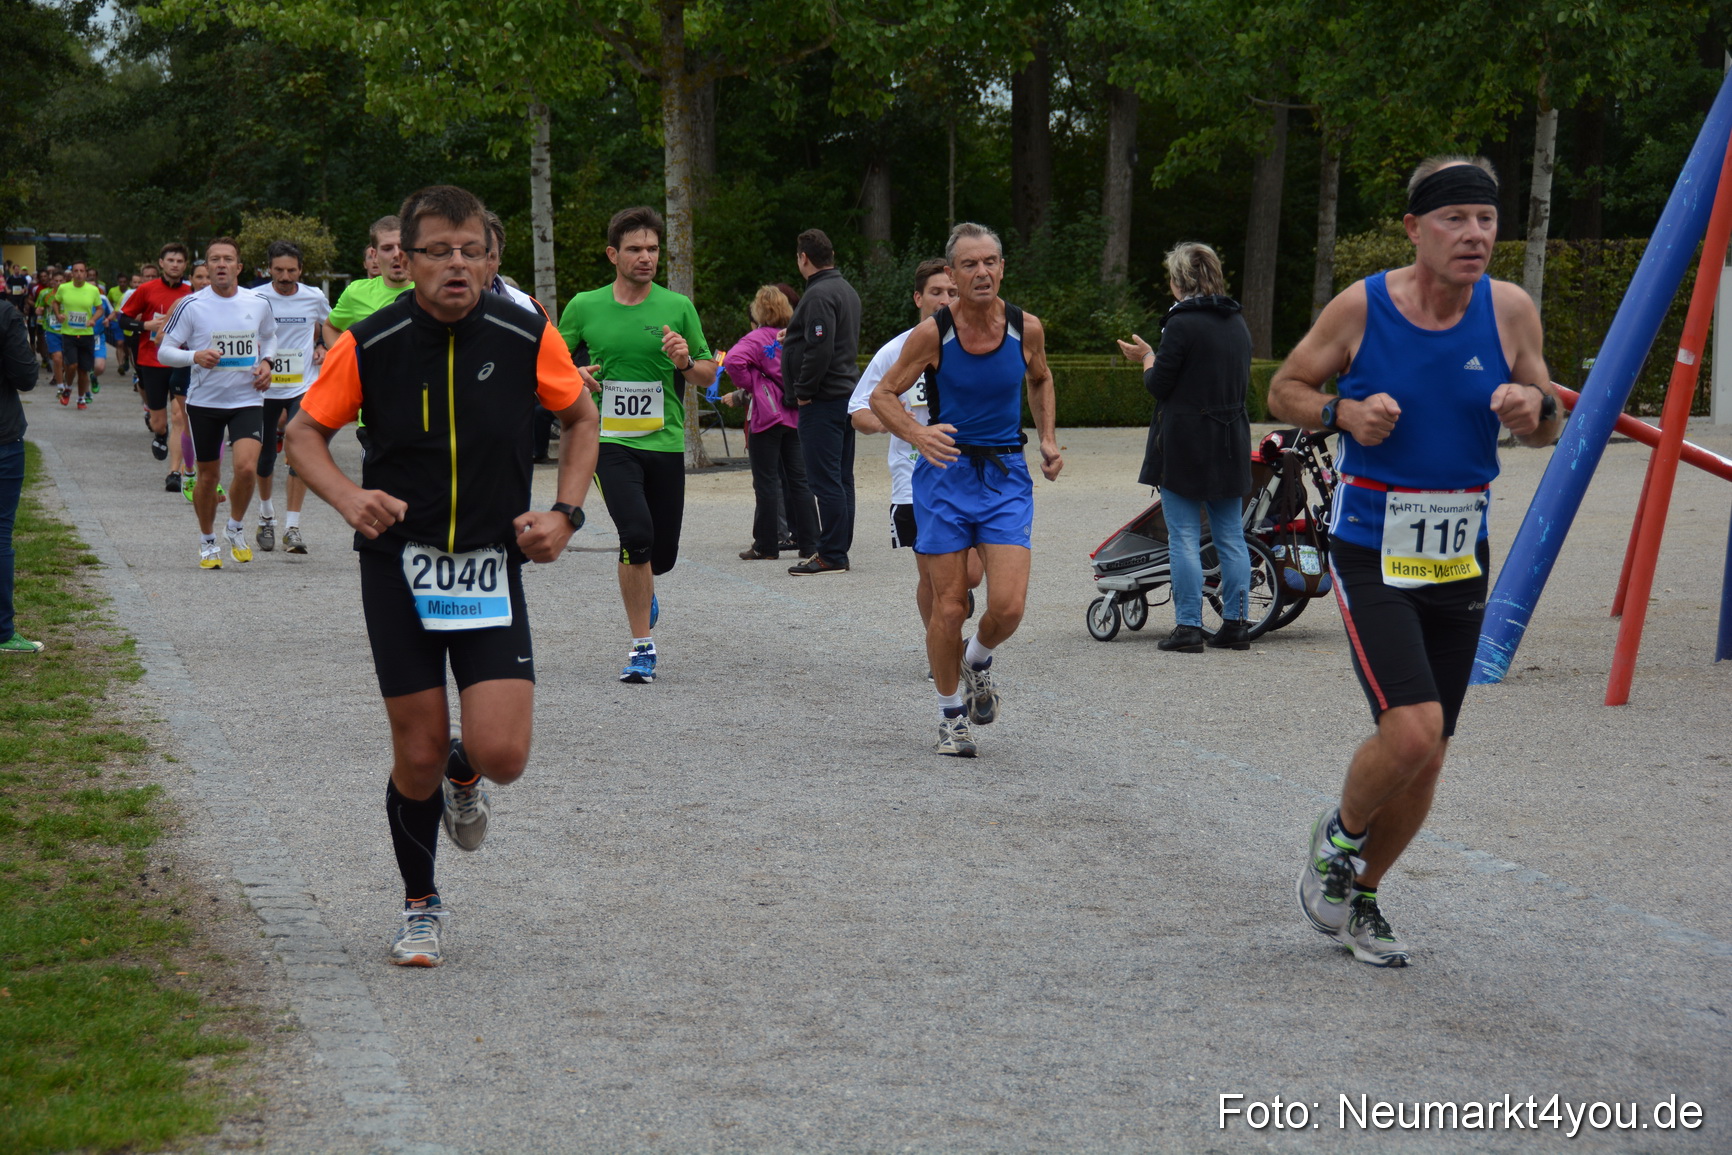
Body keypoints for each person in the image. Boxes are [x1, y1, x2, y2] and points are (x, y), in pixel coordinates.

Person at [285, 184, 600, 967]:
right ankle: (420, 903)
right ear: (406, 259)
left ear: (493, 259)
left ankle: (467, 771)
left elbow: (581, 418)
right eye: (437, 251)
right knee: (416, 752)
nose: (455, 265)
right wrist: (348, 497)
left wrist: (566, 512)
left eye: (471, 251)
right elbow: (302, 434)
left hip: (490, 565)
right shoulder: (369, 342)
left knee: (502, 756)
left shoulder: (527, 334)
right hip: (400, 565)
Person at [1269, 155, 1562, 968]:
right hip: (1373, 549)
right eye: (1455, 219)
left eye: (1487, 220)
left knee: (1429, 753)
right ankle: (1337, 838)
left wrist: (1533, 408)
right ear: (1414, 228)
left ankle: (1360, 896)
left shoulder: (1509, 311)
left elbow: (1550, 421)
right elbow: (1285, 388)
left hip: (1460, 556)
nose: (1475, 235)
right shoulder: (1363, 307)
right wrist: (1342, 410)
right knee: (1413, 726)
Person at [869, 222, 1063, 758]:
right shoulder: (934, 333)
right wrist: (915, 432)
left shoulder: (1026, 328)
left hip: (1004, 477)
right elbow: (883, 395)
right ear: (952, 274)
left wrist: (1046, 439)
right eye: (970, 265)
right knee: (949, 607)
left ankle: (976, 660)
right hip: (946, 479)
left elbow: (1041, 378)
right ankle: (950, 716)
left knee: (1009, 606)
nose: (982, 272)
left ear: (1002, 267)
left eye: (991, 262)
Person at [558, 205, 715, 684]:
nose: (645, 257)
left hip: (664, 442)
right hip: (609, 442)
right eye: (634, 249)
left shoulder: (677, 306)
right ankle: (641, 647)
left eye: (652, 249)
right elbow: (553, 365)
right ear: (613, 254)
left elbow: (709, 375)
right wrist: (576, 375)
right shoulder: (584, 305)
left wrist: (686, 362)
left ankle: (644, 587)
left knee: (659, 554)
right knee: (637, 535)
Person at [1115, 242, 1254, 653]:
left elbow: (1159, 385)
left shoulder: (1182, 324)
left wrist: (1146, 357)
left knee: (1184, 536)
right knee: (1231, 536)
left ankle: (1189, 626)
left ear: (1178, 282)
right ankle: (1237, 624)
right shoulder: (1236, 321)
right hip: (1231, 438)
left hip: (1187, 442)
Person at [849, 259, 985, 651]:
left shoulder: (978, 344)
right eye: (936, 292)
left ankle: (957, 598)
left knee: (970, 574)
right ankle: (942, 649)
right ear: (918, 298)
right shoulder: (897, 350)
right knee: (931, 577)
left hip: (970, 473)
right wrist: (893, 421)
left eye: (952, 292)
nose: (945, 300)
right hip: (915, 480)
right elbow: (858, 411)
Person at [155, 237, 277, 569]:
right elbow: (164, 351)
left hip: (247, 398)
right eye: (214, 260)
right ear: (206, 268)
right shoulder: (191, 305)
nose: (221, 264)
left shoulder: (258, 301)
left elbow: (269, 336)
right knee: (208, 477)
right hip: (205, 402)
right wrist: (194, 355)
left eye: (227, 259)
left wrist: (267, 362)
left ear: (238, 267)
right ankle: (207, 541)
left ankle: (235, 528)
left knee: (247, 468)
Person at [782, 229, 861, 575]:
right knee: (842, 478)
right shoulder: (845, 289)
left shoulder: (818, 295)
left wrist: (803, 390)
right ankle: (838, 548)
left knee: (825, 480)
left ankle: (830, 553)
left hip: (822, 399)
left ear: (803, 258)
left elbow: (820, 348)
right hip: (844, 396)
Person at [723, 285, 817, 560]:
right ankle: (810, 542)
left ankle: (766, 545)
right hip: (794, 414)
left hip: (767, 414)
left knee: (766, 481)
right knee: (799, 480)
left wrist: (752, 383)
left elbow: (733, 360)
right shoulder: (795, 337)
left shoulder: (756, 338)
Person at [251, 240, 330, 554]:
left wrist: (323, 343)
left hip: (303, 386)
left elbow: (332, 323)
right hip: (264, 388)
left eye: (292, 270)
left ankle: (292, 527)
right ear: (268, 268)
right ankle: (266, 515)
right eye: (279, 270)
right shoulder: (255, 297)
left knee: (300, 454)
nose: (285, 277)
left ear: (301, 270)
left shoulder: (314, 296)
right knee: (265, 455)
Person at [124, 246, 196, 481]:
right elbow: (123, 319)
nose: (175, 264)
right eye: (171, 260)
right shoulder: (146, 290)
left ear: (185, 265)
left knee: (178, 415)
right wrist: (146, 326)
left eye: (180, 261)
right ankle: (160, 435)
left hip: (181, 361)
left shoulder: (192, 291)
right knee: (159, 422)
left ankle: (175, 471)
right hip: (151, 361)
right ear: (161, 263)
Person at [1, 292, 42, 653]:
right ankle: (1, 632)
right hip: (2, 434)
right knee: (0, 532)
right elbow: (27, 376)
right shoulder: (4, 314)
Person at [51, 261, 104, 410]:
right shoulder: (63, 288)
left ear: (86, 274)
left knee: (83, 370)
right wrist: (58, 314)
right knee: (72, 365)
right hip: (69, 333)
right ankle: (68, 388)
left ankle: (81, 399)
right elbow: (55, 302)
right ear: (72, 274)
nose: (79, 273)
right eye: (76, 271)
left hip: (86, 334)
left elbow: (100, 309)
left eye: (82, 271)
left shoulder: (93, 290)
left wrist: (93, 319)